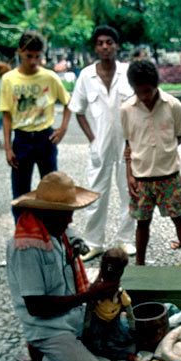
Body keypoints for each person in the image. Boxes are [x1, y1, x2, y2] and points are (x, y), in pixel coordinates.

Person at [7, 172, 126, 361]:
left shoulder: (57, 230)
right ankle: (45, 360)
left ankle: (62, 353)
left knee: (120, 337)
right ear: (47, 213)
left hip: (72, 316)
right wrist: (88, 296)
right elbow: (37, 307)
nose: (70, 219)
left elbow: (72, 249)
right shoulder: (27, 247)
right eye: (65, 214)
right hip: (48, 328)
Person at [69, 25, 136, 263]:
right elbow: (78, 110)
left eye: (109, 42)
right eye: (100, 43)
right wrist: (92, 138)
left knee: (130, 192)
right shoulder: (86, 75)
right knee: (96, 194)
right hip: (100, 147)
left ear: (116, 45)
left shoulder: (128, 72)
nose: (105, 46)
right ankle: (93, 242)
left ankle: (126, 239)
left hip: (127, 145)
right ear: (95, 47)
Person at [121, 60, 181, 268]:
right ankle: (140, 265)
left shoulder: (172, 105)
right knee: (142, 223)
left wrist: (163, 152)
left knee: (180, 219)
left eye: (149, 91)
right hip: (141, 178)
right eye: (140, 92)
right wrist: (129, 175)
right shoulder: (127, 109)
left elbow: (179, 137)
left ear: (156, 85)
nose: (145, 97)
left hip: (169, 175)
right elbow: (128, 144)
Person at [0, 31, 71, 220]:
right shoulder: (9, 79)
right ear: (19, 52)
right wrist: (7, 147)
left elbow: (68, 103)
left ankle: (54, 233)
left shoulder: (49, 77)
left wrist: (62, 128)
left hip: (45, 138)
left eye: (37, 56)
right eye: (28, 55)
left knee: (52, 189)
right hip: (22, 139)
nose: (33, 61)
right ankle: (22, 235)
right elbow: (6, 113)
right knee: (21, 192)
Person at [82, 248, 136, 361]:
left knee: (123, 339)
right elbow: (89, 311)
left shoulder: (120, 293)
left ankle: (120, 353)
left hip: (114, 321)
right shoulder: (96, 291)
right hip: (98, 321)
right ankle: (119, 355)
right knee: (97, 345)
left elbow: (129, 312)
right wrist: (86, 328)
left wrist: (133, 328)